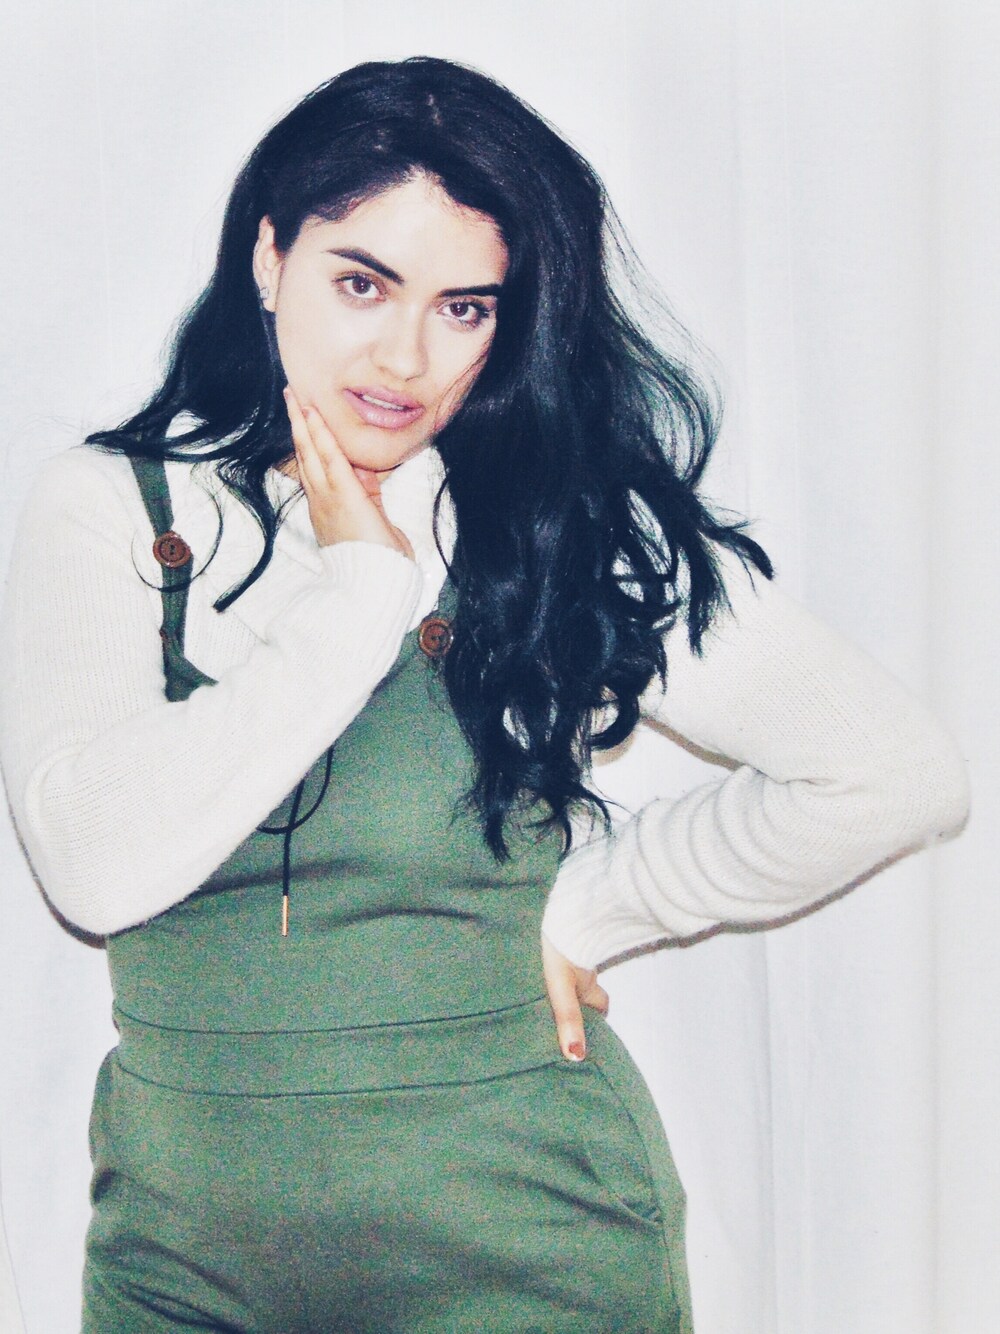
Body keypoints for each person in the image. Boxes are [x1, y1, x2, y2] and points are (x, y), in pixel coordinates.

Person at [0, 55, 968, 1333]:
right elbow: (92, 866)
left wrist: (601, 902)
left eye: (463, 307)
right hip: (179, 1273)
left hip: (527, 1252)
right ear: (269, 257)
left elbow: (891, 770)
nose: (405, 355)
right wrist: (356, 592)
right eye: (362, 283)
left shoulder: (551, 522)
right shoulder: (113, 511)